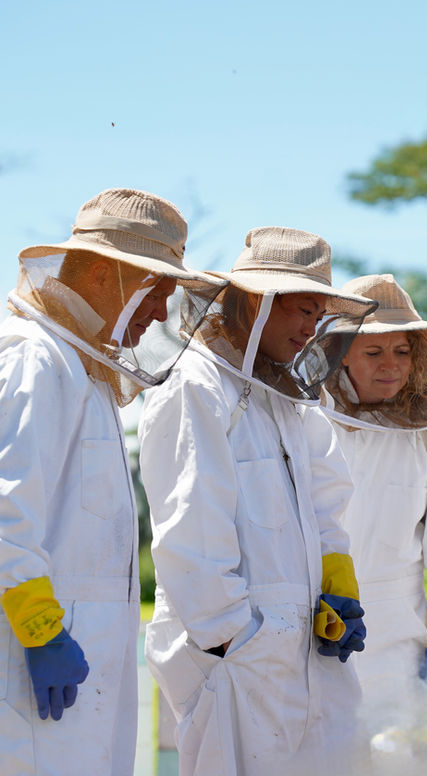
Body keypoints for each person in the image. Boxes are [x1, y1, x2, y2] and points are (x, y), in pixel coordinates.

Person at [139, 226, 377, 776]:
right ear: (255, 300)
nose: (309, 329)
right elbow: (190, 528)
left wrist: (336, 583)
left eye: (318, 315)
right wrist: (230, 639)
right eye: (300, 310)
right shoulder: (195, 384)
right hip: (232, 649)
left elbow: (325, 502)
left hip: (302, 642)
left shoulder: (290, 398)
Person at [0, 188, 222, 776]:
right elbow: (5, 506)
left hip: (81, 654)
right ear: (106, 273)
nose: (160, 314)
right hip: (29, 656)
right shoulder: (34, 357)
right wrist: (40, 628)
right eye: (158, 292)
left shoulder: (81, 368)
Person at [320, 273, 427, 774]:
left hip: (401, 625)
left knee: (407, 756)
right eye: (373, 352)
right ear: (342, 352)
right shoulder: (309, 418)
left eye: (403, 351)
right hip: (318, 620)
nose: (391, 365)